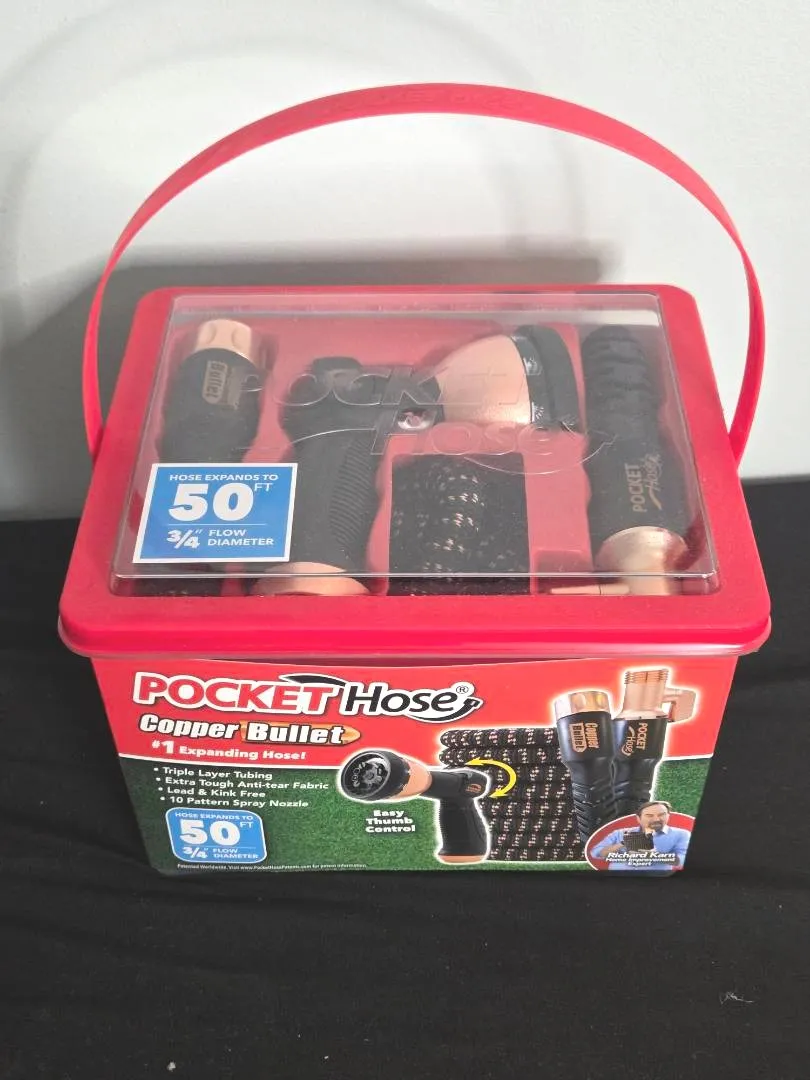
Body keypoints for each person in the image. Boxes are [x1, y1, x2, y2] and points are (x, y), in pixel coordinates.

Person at [591, 801, 690, 872]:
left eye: (661, 814)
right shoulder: (619, 833)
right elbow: (596, 853)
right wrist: (622, 844)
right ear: (638, 818)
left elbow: (684, 860)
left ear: (668, 815)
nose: (656, 819)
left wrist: (656, 856)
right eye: (649, 815)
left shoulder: (681, 834)